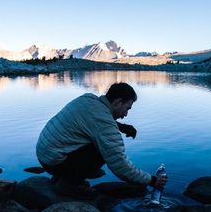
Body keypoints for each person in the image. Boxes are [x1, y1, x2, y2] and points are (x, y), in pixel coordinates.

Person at [36, 82, 167, 199]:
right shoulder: (104, 122)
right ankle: (67, 185)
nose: (126, 114)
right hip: (55, 161)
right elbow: (120, 165)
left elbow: (93, 120)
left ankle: (61, 177)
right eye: (127, 108)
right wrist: (152, 181)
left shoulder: (88, 99)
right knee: (102, 149)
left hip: (44, 155)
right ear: (117, 102)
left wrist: (120, 126)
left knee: (96, 141)